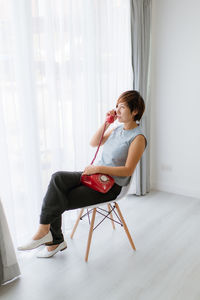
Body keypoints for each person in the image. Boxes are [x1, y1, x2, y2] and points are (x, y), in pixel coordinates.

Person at [17, 90, 147, 258]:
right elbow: (94, 143)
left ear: (135, 111)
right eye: (116, 106)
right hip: (95, 176)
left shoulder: (138, 138)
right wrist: (106, 124)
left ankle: (53, 241)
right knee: (58, 178)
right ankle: (47, 234)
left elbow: (128, 170)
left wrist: (98, 169)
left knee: (59, 197)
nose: (117, 110)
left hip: (111, 186)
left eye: (121, 107)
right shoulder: (116, 129)